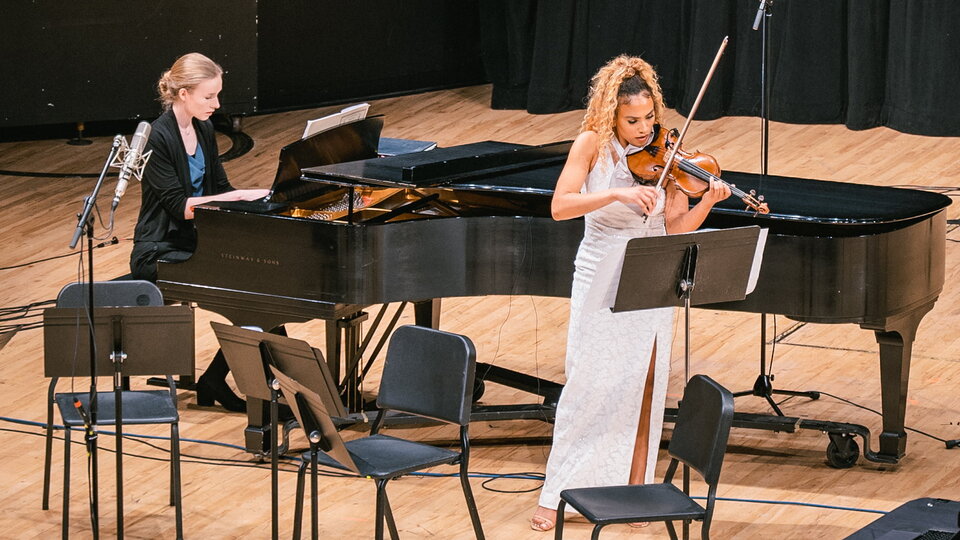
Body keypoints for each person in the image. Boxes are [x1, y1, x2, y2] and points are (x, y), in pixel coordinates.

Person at [529, 55, 731, 532]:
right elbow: (561, 206)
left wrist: (704, 202)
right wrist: (616, 194)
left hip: (651, 273)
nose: (645, 130)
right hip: (601, 269)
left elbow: (675, 226)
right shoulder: (591, 144)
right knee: (588, 383)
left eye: (649, 119)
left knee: (644, 386)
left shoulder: (668, 155)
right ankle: (557, 493)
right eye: (633, 120)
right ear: (612, 115)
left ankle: (635, 489)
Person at [130, 52, 269, 412]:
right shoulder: (157, 138)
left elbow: (220, 186)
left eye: (218, 95)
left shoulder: (204, 128)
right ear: (183, 94)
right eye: (209, 97)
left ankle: (220, 379)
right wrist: (238, 196)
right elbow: (181, 205)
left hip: (194, 243)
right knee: (252, 296)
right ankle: (243, 385)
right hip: (159, 250)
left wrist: (256, 202)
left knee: (265, 287)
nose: (217, 104)